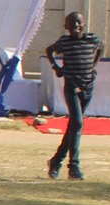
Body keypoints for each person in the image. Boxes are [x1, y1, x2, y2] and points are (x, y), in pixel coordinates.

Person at [43, 12, 102, 181]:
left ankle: (55, 161)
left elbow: (102, 47)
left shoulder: (92, 40)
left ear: (84, 24)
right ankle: (74, 167)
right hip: (72, 86)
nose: (76, 25)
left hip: (88, 87)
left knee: (74, 127)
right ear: (66, 27)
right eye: (72, 23)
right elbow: (49, 50)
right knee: (77, 123)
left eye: (79, 22)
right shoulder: (65, 42)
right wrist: (56, 67)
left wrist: (94, 66)